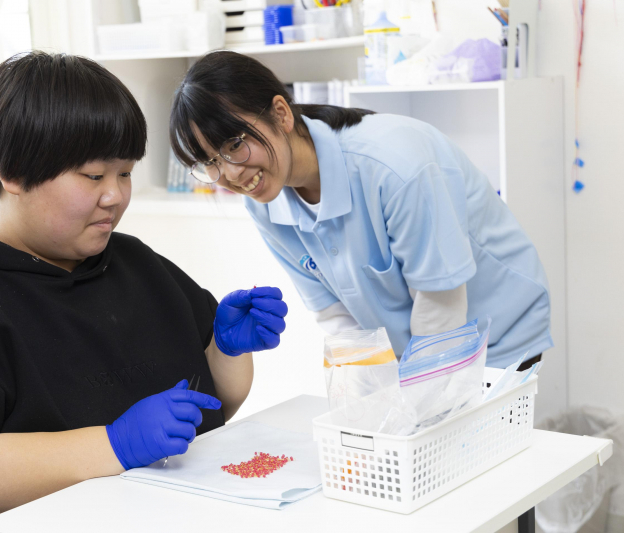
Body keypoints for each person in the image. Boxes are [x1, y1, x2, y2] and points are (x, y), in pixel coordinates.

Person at [0, 52, 287, 532]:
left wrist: (225, 350)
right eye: (94, 175)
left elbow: (212, 412)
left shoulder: (133, 264)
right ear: (13, 173)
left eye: (125, 173)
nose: (115, 195)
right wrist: (114, 445)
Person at [168, 51, 552, 370]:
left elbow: (440, 308)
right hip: (415, 353)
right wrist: (372, 397)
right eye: (210, 162)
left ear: (281, 114)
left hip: (497, 336)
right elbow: (337, 317)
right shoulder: (265, 204)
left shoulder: (394, 166)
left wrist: (418, 406)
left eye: (234, 144)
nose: (231, 174)